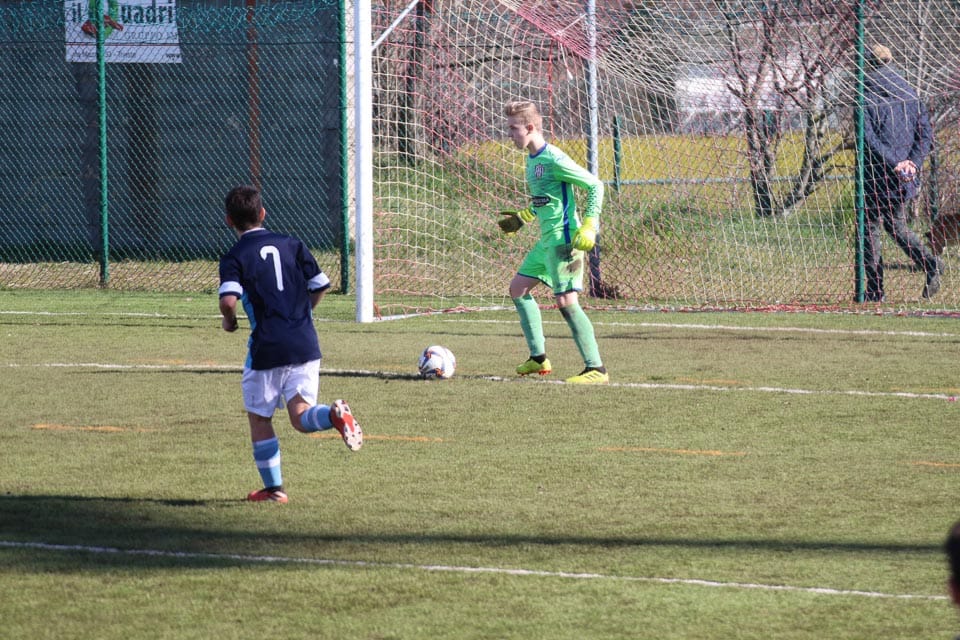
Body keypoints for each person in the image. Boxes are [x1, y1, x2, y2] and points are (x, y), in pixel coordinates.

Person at [218, 185, 362, 504]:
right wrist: (304, 313)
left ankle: (275, 490)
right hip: (304, 342)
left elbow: (229, 300)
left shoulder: (234, 256)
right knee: (301, 416)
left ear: (229, 220)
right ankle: (333, 415)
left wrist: (230, 321)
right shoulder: (292, 243)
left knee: (260, 418)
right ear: (263, 213)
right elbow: (320, 284)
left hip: (267, 348)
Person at [497, 100, 609, 384]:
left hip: (565, 241)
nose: (509, 134)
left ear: (529, 127)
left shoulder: (554, 159)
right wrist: (523, 217)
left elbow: (595, 185)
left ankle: (596, 369)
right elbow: (546, 200)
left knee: (566, 300)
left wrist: (590, 225)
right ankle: (538, 358)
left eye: (513, 128)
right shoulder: (532, 159)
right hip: (546, 241)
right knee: (518, 289)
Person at [861, 43, 942, 301]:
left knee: (870, 228)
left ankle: (876, 290)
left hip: (877, 173)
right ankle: (930, 263)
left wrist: (895, 162)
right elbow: (925, 134)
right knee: (895, 225)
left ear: (867, 64)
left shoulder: (865, 94)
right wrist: (912, 163)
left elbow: (868, 137)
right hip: (904, 176)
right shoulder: (909, 92)